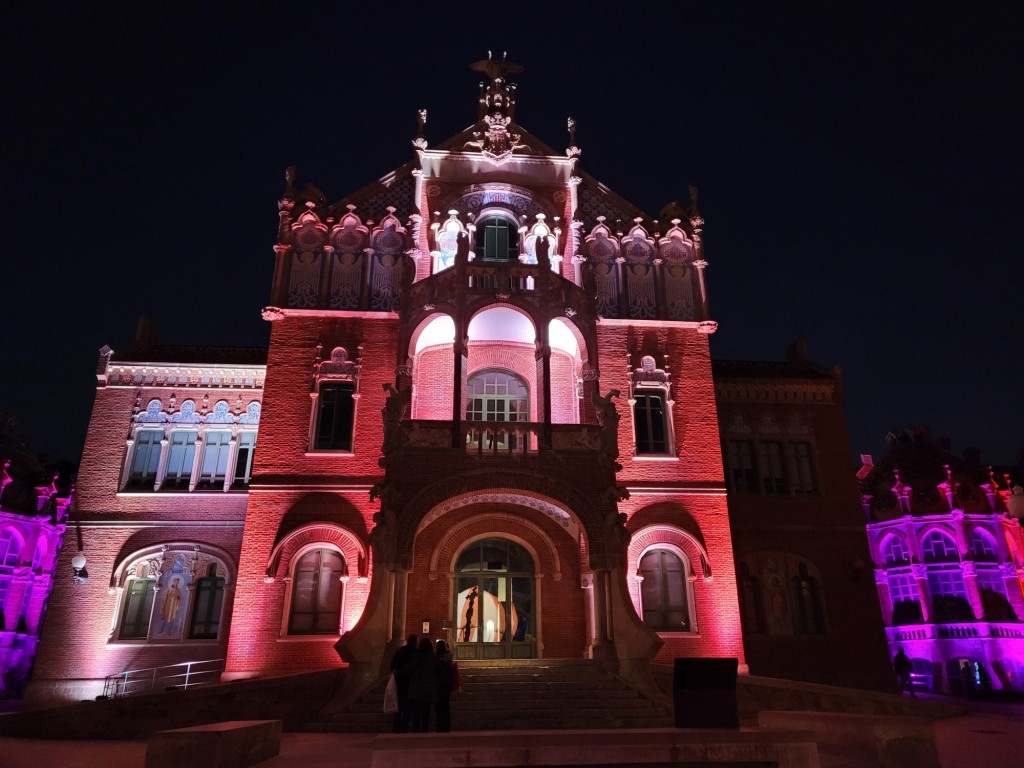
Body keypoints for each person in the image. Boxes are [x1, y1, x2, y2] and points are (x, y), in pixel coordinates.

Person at [404, 637, 442, 733]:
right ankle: (424, 731)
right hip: (428, 688)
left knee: (416, 713)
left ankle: (416, 732)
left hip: (416, 688)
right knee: (426, 713)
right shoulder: (433, 658)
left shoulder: (416, 656)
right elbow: (439, 671)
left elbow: (408, 669)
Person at [389, 634, 418, 733]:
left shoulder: (400, 651)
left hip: (400, 681)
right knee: (408, 707)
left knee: (399, 706)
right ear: (415, 642)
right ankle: (405, 727)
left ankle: (396, 728)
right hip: (411, 683)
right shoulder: (415, 653)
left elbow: (392, 665)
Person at [434, 639, 457, 732]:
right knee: (445, 706)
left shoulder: (435, 659)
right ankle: (446, 725)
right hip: (447, 685)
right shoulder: (449, 659)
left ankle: (439, 725)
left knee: (439, 706)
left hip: (438, 685)